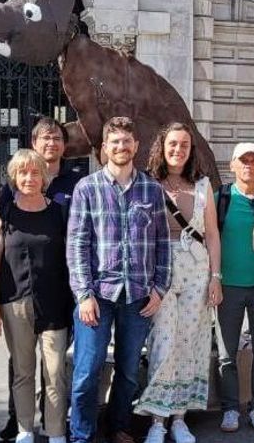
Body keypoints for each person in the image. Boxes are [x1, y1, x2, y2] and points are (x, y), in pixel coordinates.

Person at [66, 116, 171, 443]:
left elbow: (162, 243)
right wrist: (83, 294)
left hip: (139, 296)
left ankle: (120, 426)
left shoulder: (151, 190)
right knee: (87, 371)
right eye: (115, 142)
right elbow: (77, 244)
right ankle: (81, 433)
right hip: (98, 296)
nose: (121, 147)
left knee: (127, 372)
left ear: (135, 146)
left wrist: (160, 288)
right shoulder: (88, 188)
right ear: (104, 148)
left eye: (127, 141)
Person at [0, 116, 85, 443]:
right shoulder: (6, 201)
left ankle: (56, 429)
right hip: (16, 296)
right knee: (21, 367)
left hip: (56, 297)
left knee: (55, 370)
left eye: (57, 138)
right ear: (34, 143)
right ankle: (19, 424)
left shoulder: (76, 184)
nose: (51, 144)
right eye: (44, 138)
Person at [135, 122, 222, 443]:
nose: (178, 150)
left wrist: (216, 277)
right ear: (162, 146)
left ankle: (180, 418)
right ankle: (158, 420)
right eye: (172, 144)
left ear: (190, 149)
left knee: (192, 343)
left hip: (197, 271)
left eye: (184, 145)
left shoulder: (202, 186)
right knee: (163, 342)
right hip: (161, 272)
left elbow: (212, 234)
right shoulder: (147, 184)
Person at [213, 142, 254, 433]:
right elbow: (207, 237)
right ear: (232, 166)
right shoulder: (220, 197)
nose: (248, 165)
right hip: (228, 286)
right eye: (242, 161)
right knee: (227, 353)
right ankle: (230, 409)